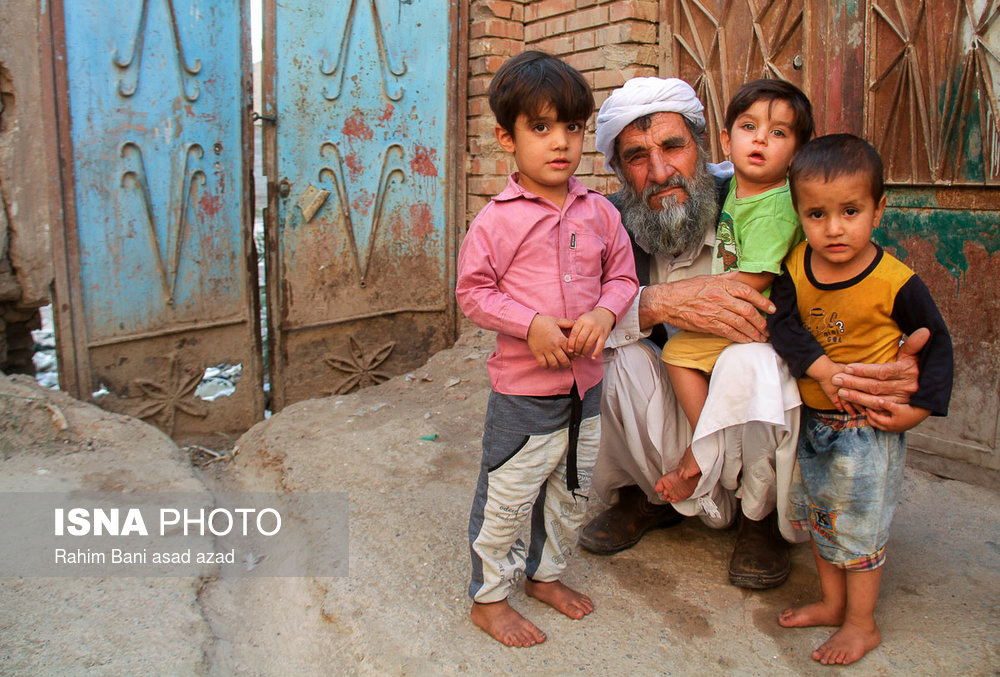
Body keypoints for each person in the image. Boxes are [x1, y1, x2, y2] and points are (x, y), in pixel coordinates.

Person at [578, 76, 925, 590]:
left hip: (761, 390)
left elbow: (857, 269)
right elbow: (561, 315)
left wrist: (897, 355)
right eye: (635, 156)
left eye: (673, 147)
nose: (659, 171)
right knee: (603, 355)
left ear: (701, 145)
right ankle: (647, 494)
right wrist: (653, 304)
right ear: (619, 170)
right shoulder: (607, 220)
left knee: (754, 361)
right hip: (681, 388)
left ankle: (757, 517)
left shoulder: (761, 195)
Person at [456, 51, 639, 647]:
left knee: (569, 489)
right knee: (509, 492)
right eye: (540, 128)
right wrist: (529, 322)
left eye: (572, 127)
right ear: (507, 138)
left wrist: (605, 312)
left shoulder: (602, 212)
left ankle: (544, 575)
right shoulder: (495, 222)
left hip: (585, 388)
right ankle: (489, 598)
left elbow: (624, 278)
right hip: (524, 393)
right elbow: (473, 292)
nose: (560, 142)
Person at [768, 134, 953, 665]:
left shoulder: (897, 281)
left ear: (878, 210)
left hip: (867, 429)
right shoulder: (797, 266)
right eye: (816, 214)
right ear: (799, 214)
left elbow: (937, 348)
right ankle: (831, 603)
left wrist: (916, 410)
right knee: (822, 519)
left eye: (850, 211)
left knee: (860, 530)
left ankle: (861, 623)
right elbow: (784, 324)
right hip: (813, 423)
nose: (833, 228)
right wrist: (820, 369)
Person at [657, 79, 813, 504]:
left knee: (676, 353)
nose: (761, 138)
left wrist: (696, 293)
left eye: (778, 132)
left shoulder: (774, 207)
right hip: (744, 312)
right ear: (727, 141)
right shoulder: (740, 191)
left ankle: (700, 448)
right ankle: (710, 444)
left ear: (796, 153)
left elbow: (756, 277)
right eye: (749, 127)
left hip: (761, 318)